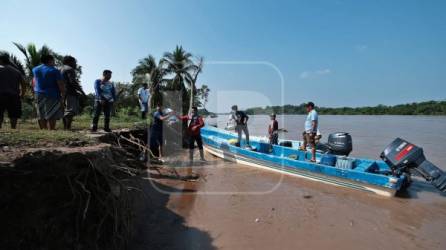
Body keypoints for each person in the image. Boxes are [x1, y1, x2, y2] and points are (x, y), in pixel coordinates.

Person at [33, 54, 65, 130]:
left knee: (41, 114)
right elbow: (60, 84)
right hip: (52, 94)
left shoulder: (35, 69)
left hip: (38, 94)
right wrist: (63, 95)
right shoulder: (54, 70)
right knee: (52, 114)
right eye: (53, 60)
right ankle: (51, 130)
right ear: (50, 60)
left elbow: (34, 81)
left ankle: (43, 130)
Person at [0, 52, 26, 129]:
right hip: (14, 96)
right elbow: (23, 83)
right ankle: (13, 128)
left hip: (1, 95)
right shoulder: (16, 71)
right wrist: (22, 94)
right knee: (14, 114)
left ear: (1, 61)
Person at [61, 56, 85, 130]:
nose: (75, 64)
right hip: (70, 92)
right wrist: (81, 91)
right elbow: (72, 81)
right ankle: (68, 128)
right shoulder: (70, 69)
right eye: (74, 62)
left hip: (61, 92)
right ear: (70, 62)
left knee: (64, 111)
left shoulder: (59, 69)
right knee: (70, 111)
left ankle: (65, 128)